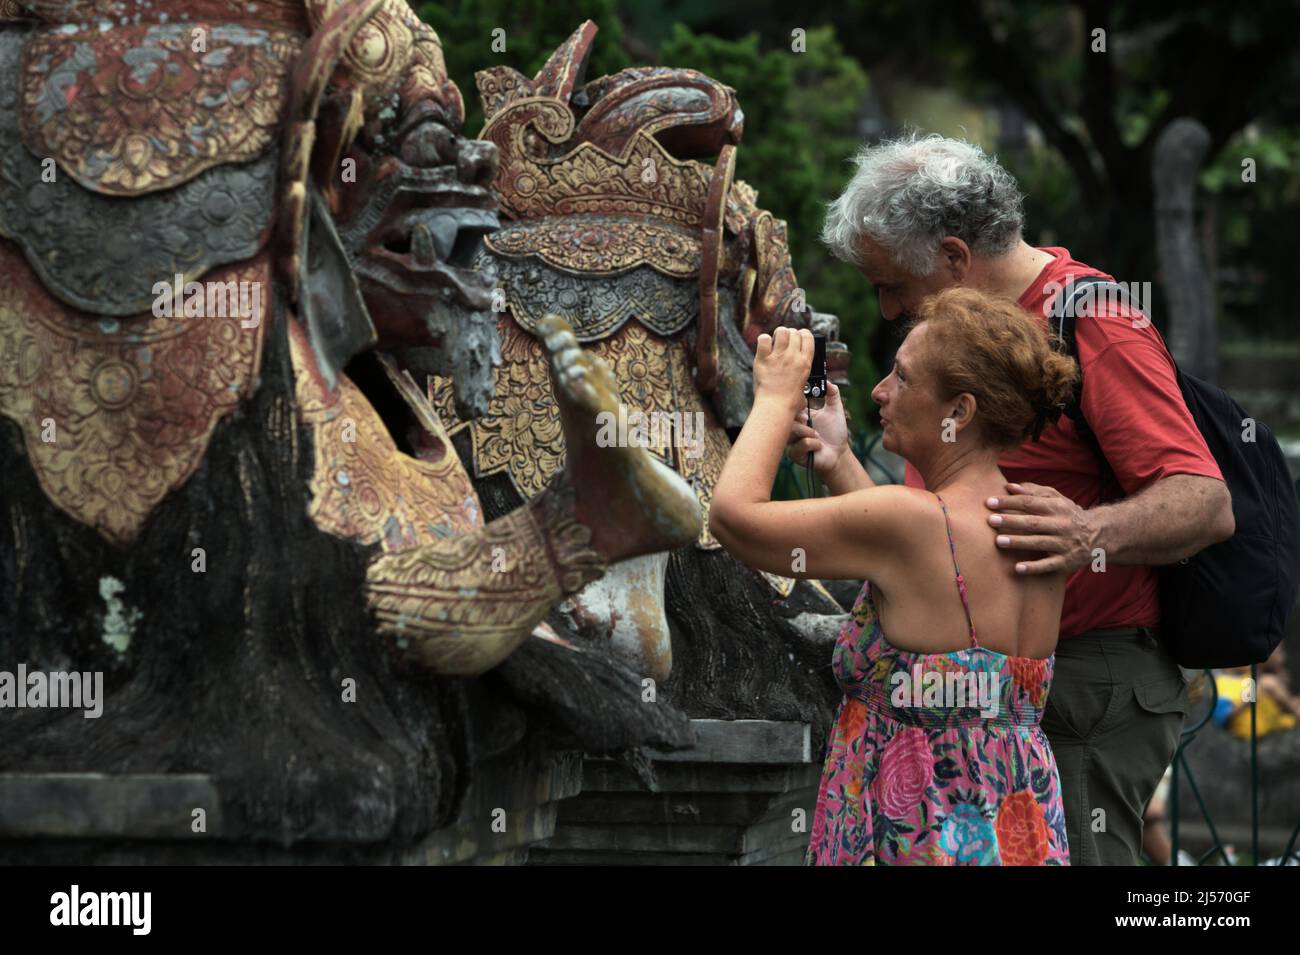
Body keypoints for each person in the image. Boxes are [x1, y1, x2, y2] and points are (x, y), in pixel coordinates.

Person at [811, 133, 1235, 865]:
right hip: (992, 696)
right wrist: (837, 458)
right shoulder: (968, 333)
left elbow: (1205, 500)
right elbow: (930, 532)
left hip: (1080, 690)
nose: (886, 310)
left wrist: (1087, 532)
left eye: (892, 286)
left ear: (952, 257)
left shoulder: (1096, 321)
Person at [710, 287, 1079, 865]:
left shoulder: (910, 522)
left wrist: (775, 399)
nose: (881, 391)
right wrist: (839, 461)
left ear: (958, 412)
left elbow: (734, 520)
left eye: (903, 378)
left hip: (919, 836)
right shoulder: (1035, 518)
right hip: (1016, 827)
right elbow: (914, 573)